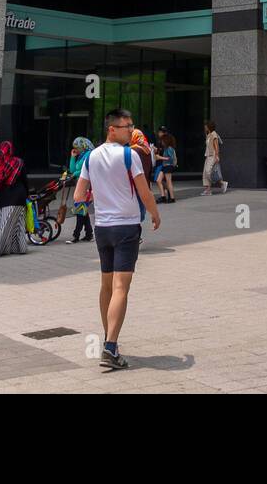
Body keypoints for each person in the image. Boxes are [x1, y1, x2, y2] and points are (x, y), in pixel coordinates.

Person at [73, 108, 161, 371]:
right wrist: (155, 214)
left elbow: (78, 195)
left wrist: (99, 198)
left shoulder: (91, 156)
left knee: (107, 286)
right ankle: (110, 346)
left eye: (132, 126)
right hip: (126, 227)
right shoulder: (128, 155)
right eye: (127, 127)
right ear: (112, 129)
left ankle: (110, 341)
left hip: (103, 228)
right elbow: (144, 191)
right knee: (121, 287)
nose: (131, 131)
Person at [0, 141, 30, 256]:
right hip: (18, 197)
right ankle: (19, 248)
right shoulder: (18, 163)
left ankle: (0, 249)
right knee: (17, 223)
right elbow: (25, 180)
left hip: (5, 197)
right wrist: (27, 194)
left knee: (5, 223)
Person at [61, 137, 94, 243]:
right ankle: (89, 234)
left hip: (87, 187)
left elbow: (83, 171)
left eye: (77, 147)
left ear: (83, 146)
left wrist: (74, 174)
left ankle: (76, 236)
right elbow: (73, 169)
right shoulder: (81, 156)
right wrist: (72, 157)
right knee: (83, 211)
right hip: (81, 186)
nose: (76, 150)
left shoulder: (89, 155)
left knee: (80, 211)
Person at [202, 120, 228, 196]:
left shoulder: (214, 134)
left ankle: (222, 183)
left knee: (208, 172)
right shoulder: (209, 134)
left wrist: (217, 156)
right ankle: (208, 190)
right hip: (207, 155)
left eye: (206, 126)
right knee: (205, 173)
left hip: (212, 155)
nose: (205, 127)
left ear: (209, 126)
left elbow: (216, 146)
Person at [154, 128, 178, 204]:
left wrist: (160, 157)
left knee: (168, 182)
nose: (162, 142)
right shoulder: (166, 148)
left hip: (168, 166)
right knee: (158, 180)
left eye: (163, 141)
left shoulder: (169, 148)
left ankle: (172, 197)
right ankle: (164, 196)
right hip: (165, 166)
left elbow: (170, 159)